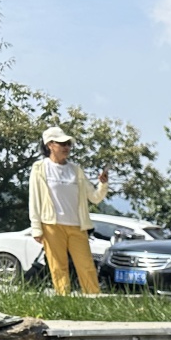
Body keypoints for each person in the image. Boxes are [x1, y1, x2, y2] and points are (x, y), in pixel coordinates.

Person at [28, 126, 109, 295]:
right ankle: (64, 300)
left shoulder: (75, 170)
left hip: (77, 226)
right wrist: (36, 228)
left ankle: (94, 299)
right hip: (51, 225)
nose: (67, 147)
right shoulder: (40, 168)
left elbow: (94, 197)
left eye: (68, 144)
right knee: (58, 267)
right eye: (62, 143)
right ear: (50, 145)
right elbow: (34, 199)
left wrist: (103, 184)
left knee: (86, 265)